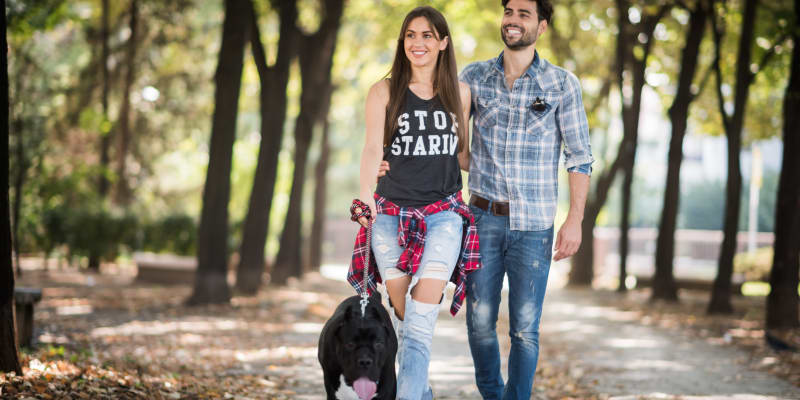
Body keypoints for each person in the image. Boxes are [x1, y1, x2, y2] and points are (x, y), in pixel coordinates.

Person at [381, 0, 594, 397]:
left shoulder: (563, 84)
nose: (512, 20)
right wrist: (388, 160)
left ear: (542, 27)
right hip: (480, 219)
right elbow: (444, 141)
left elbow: (579, 158)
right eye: (508, 12)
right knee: (478, 323)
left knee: (525, 329)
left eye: (523, 14)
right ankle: (493, 395)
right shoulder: (472, 79)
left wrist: (575, 219)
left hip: (535, 225)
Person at [346, 6, 481, 400]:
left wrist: (510, 164)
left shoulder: (462, 93)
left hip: (444, 215)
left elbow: (462, 156)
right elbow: (372, 148)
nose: (417, 43)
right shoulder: (383, 91)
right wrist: (366, 197)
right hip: (390, 216)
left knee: (420, 326)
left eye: (426, 35)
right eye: (410, 35)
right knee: (405, 319)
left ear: (443, 42)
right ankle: (419, 392)